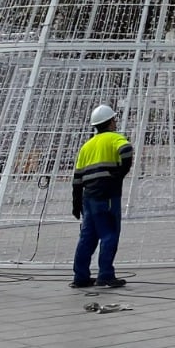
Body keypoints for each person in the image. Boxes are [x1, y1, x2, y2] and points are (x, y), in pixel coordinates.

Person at [71, 104, 134, 289]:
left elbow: (77, 178)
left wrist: (76, 203)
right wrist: (120, 173)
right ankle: (105, 275)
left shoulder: (87, 146)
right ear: (111, 122)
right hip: (107, 195)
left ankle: (80, 277)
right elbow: (127, 151)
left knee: (87, 237)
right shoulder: (115, 138)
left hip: (87, 197)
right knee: (109, 234)